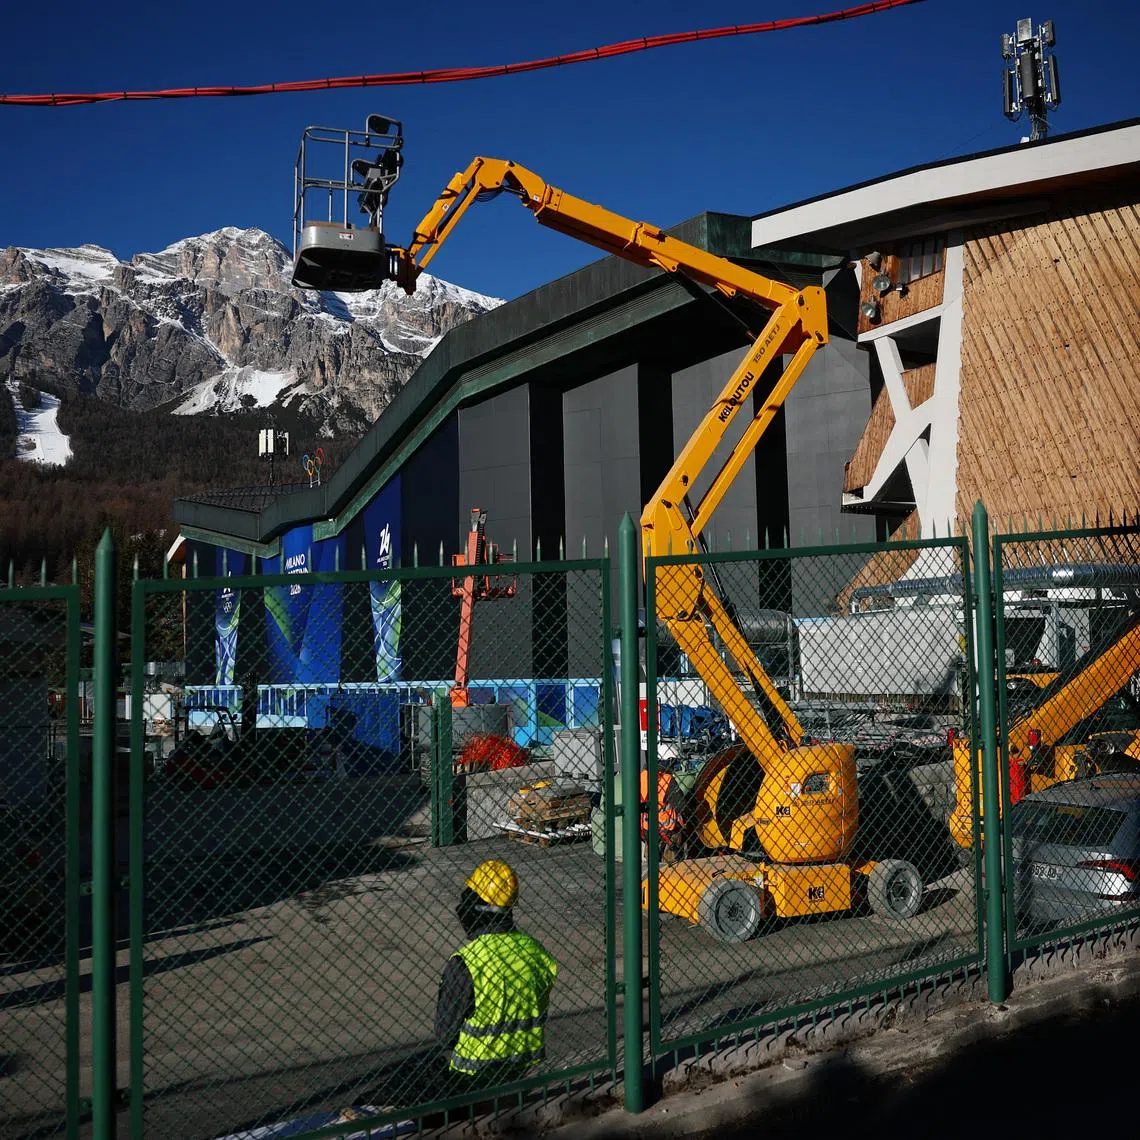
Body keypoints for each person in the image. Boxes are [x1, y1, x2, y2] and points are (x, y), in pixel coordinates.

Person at [435, 859, 557, 1088]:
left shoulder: (466, 962)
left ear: (476, 905)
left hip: (472, 1078)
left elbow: (445, 1034)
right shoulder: (537, 952)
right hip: (529, 1070)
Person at [639, 756, 690, 865]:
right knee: (672, 865)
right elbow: (681, 805)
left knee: (651, 863)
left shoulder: (639, 778)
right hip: (668, 829)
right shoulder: (666, 780)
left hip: (647, 827)